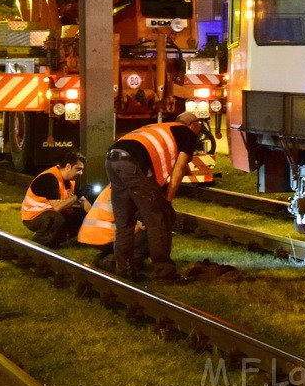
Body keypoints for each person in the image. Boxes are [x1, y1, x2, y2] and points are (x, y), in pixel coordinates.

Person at [104, 111, 202, 281]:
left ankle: (124, 270)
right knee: (159, 221)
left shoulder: (160, 128)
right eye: (199, 127)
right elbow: (179, 169)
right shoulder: (187, 133)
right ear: (193, 125)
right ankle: (165, 273)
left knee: (124, 223)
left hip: (112, 159)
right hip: (132, 164)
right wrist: (168, 201)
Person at [21, 151, 91, 248]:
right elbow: (57, 207)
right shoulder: (49, 178)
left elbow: (83, 201)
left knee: (83, 215)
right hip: (33, 217)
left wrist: (94, 216)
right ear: (68, 166)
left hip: (50, 214)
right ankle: (37, 245)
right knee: (56, 218)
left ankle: (55, 241)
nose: (81, 173)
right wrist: (76, 196)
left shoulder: (71, 180)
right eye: (78, 169)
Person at [76, 184, 148, 271]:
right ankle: (124, 266)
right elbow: (125, 214)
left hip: (92, 234)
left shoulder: (115, 185)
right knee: (150, 233)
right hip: (104, 235)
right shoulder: (126, 188)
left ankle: (105, 258)